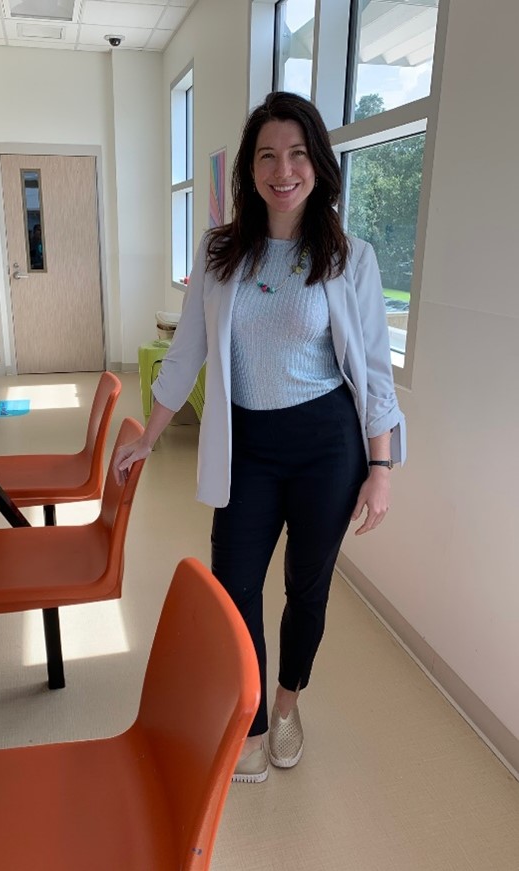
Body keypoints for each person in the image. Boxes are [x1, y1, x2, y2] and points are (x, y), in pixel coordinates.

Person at [113, 91, 406, 784]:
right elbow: (185, 354)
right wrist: (148, 437)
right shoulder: (221, 253)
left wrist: (381, 465)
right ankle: (245, 715)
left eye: (297, 154)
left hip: (325, 444)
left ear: (318, 165)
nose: (283, 169)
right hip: (245, 441)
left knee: (306, 589)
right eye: (268, 155)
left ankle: (285, 706)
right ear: (250, 169)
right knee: (234, 581)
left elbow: (370, 368)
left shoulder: (348, 256)